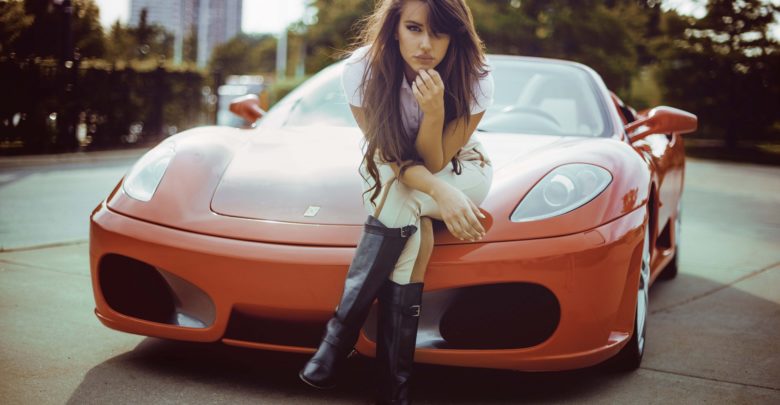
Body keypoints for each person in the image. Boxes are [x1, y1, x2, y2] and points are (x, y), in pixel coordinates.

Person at [231, 1, 493, 403]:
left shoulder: (475, 78)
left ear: (455, 36)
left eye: (439, 33)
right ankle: (393, 388)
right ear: (393, 29)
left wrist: (435, 111)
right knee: (410, 218)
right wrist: (438, 192)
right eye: (414, 28)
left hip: (463, 171)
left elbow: (437, 160)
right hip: (402, 175)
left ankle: (336, 344)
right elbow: (391, 157)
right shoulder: (361, 70)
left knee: (401, 198)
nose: (426, 44)